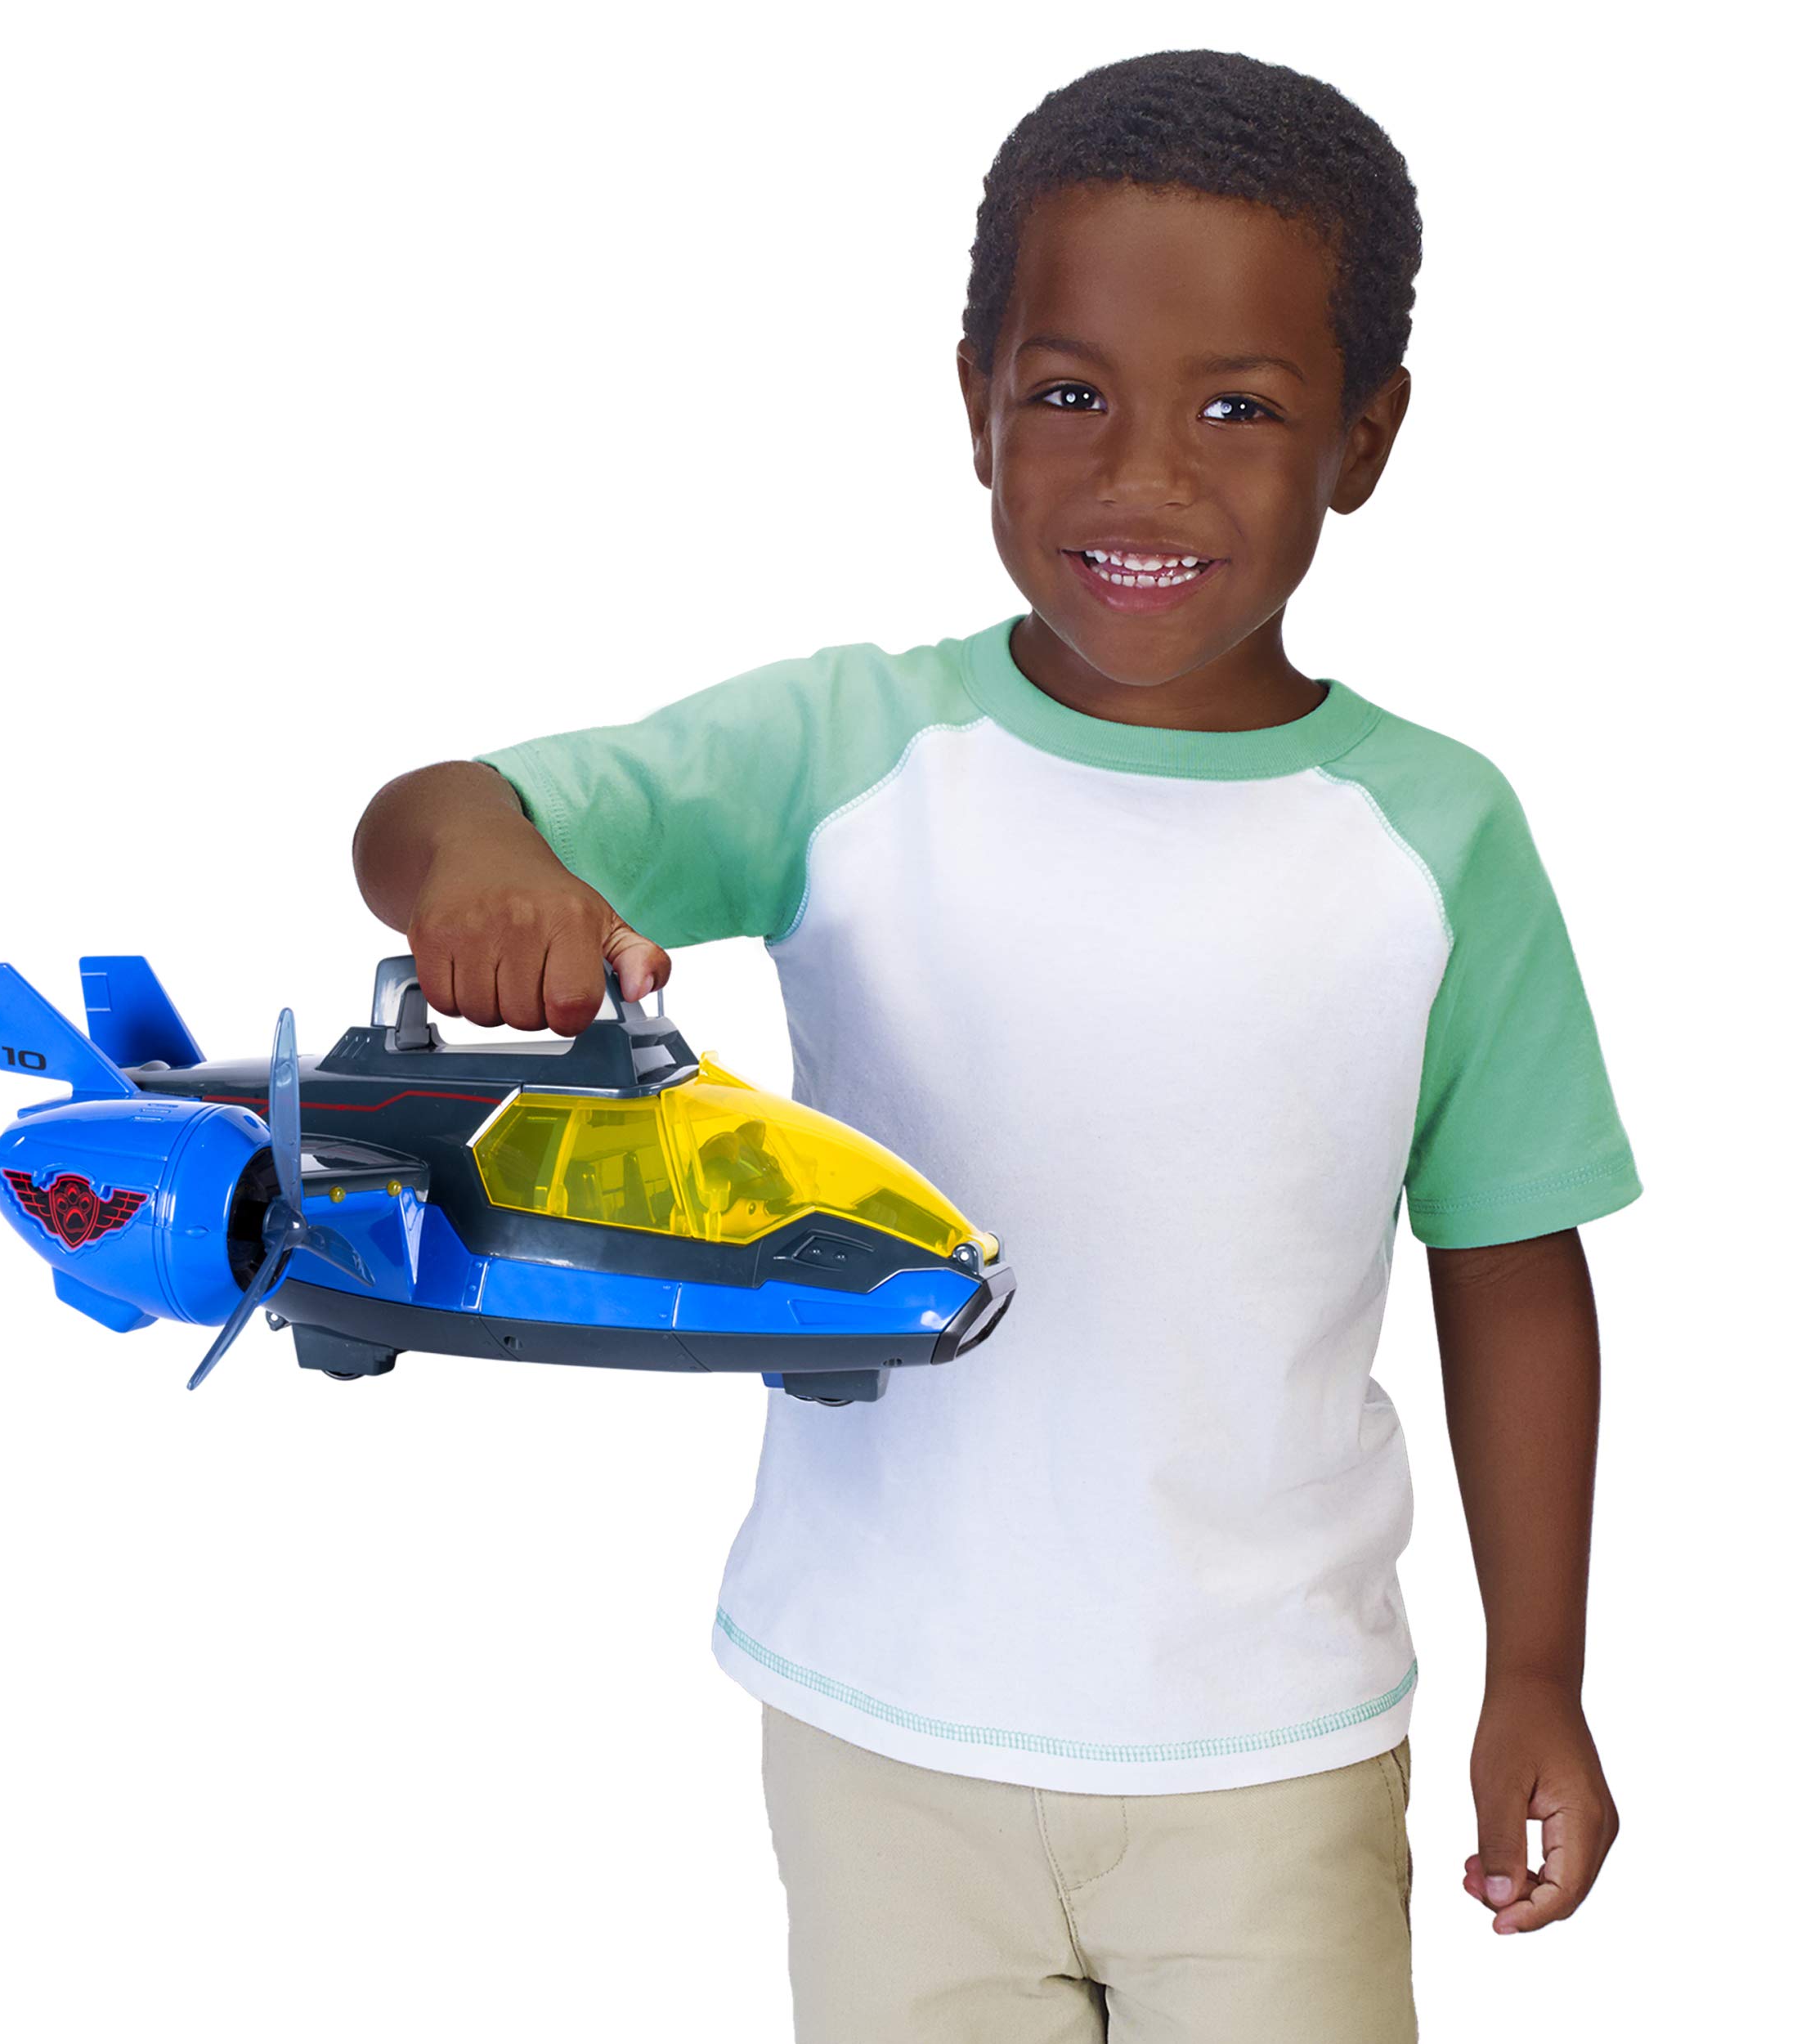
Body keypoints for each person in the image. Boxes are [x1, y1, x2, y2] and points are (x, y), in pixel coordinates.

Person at [352, 48, 1638, 2043]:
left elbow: (1508, 1258)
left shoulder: (1435, 832)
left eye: (1238, 406)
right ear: (973, 405)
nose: (1146, 476)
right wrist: (486, 875)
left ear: (1364, 435)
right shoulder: (846, 751)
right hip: (879, 1729)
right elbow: (430, 809)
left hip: (1269, 1745)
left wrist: (1536, 1673)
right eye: (1068, 395)